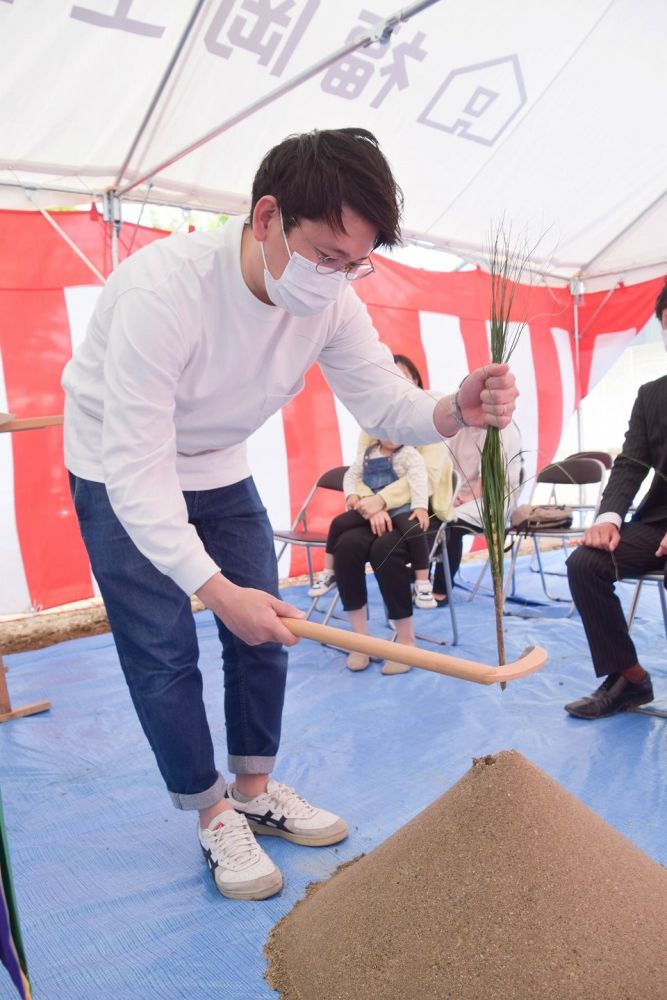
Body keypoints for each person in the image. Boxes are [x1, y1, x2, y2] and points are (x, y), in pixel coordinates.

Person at [61, 127, 518, 902]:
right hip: (118, 468)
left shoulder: (330, 301)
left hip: (219, 464)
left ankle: (254, 790)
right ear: (267, 216)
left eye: (355, 262)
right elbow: (139, 477)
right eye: (326, 256)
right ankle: (211, 817)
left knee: (268, 631)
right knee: (164, 650)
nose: (337, 278)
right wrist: (214, 590)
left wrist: (453, 406)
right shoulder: (161, 291)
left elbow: (384, 401)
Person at [313, 355, 454, 674]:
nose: (396, 385)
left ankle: (406, 645)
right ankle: (361, 641)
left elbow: (427, 480)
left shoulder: (431, 418)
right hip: (374, 511)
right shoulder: (372, 419)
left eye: (404, 378)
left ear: (416, 382)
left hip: (419, 514)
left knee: (383, 549)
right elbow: (359, 470)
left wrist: (380, 501)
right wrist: (369, 504)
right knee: (347, 546)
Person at [564, 372, 667, 719]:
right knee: (585, 564)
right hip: (657, 523)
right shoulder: (651, 394)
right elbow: (631, 464)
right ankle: (629, 678)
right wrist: (608, 518)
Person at [309, 436, 437, 610]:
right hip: (371, 508)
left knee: (414, 530)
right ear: (377, 433)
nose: (392, 438)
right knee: (338, 523)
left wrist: (420, 507)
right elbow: (351, 476)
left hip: (399, 507)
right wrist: (351, 495)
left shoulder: (409, 454)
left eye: (397, 433)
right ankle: (329, 573)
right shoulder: (368, 454)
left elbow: (418, 481)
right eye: (387, 433)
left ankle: (422, 584)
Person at [431, 421, 523, 602]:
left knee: (450, 522)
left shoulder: (501, 430)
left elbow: (488, 481)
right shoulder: (458, 427)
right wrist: (450, 497)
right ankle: (421, 579)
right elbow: (446, 469)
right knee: (428, 514)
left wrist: (461, 500)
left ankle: (441, 590)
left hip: (494, 501)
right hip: (460, 496)